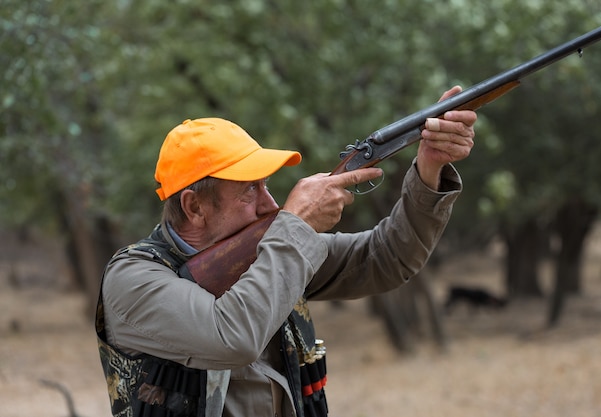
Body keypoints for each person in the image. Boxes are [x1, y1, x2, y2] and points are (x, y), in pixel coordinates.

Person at [96, 86, 477, 417]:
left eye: (266, 186)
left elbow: (388, 257)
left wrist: (429, 168)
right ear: (195, 207)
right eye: (250, 190)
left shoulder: (268, 251)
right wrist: (296, 226)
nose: (272, 205)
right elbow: (232, 338)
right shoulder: (133, 280)